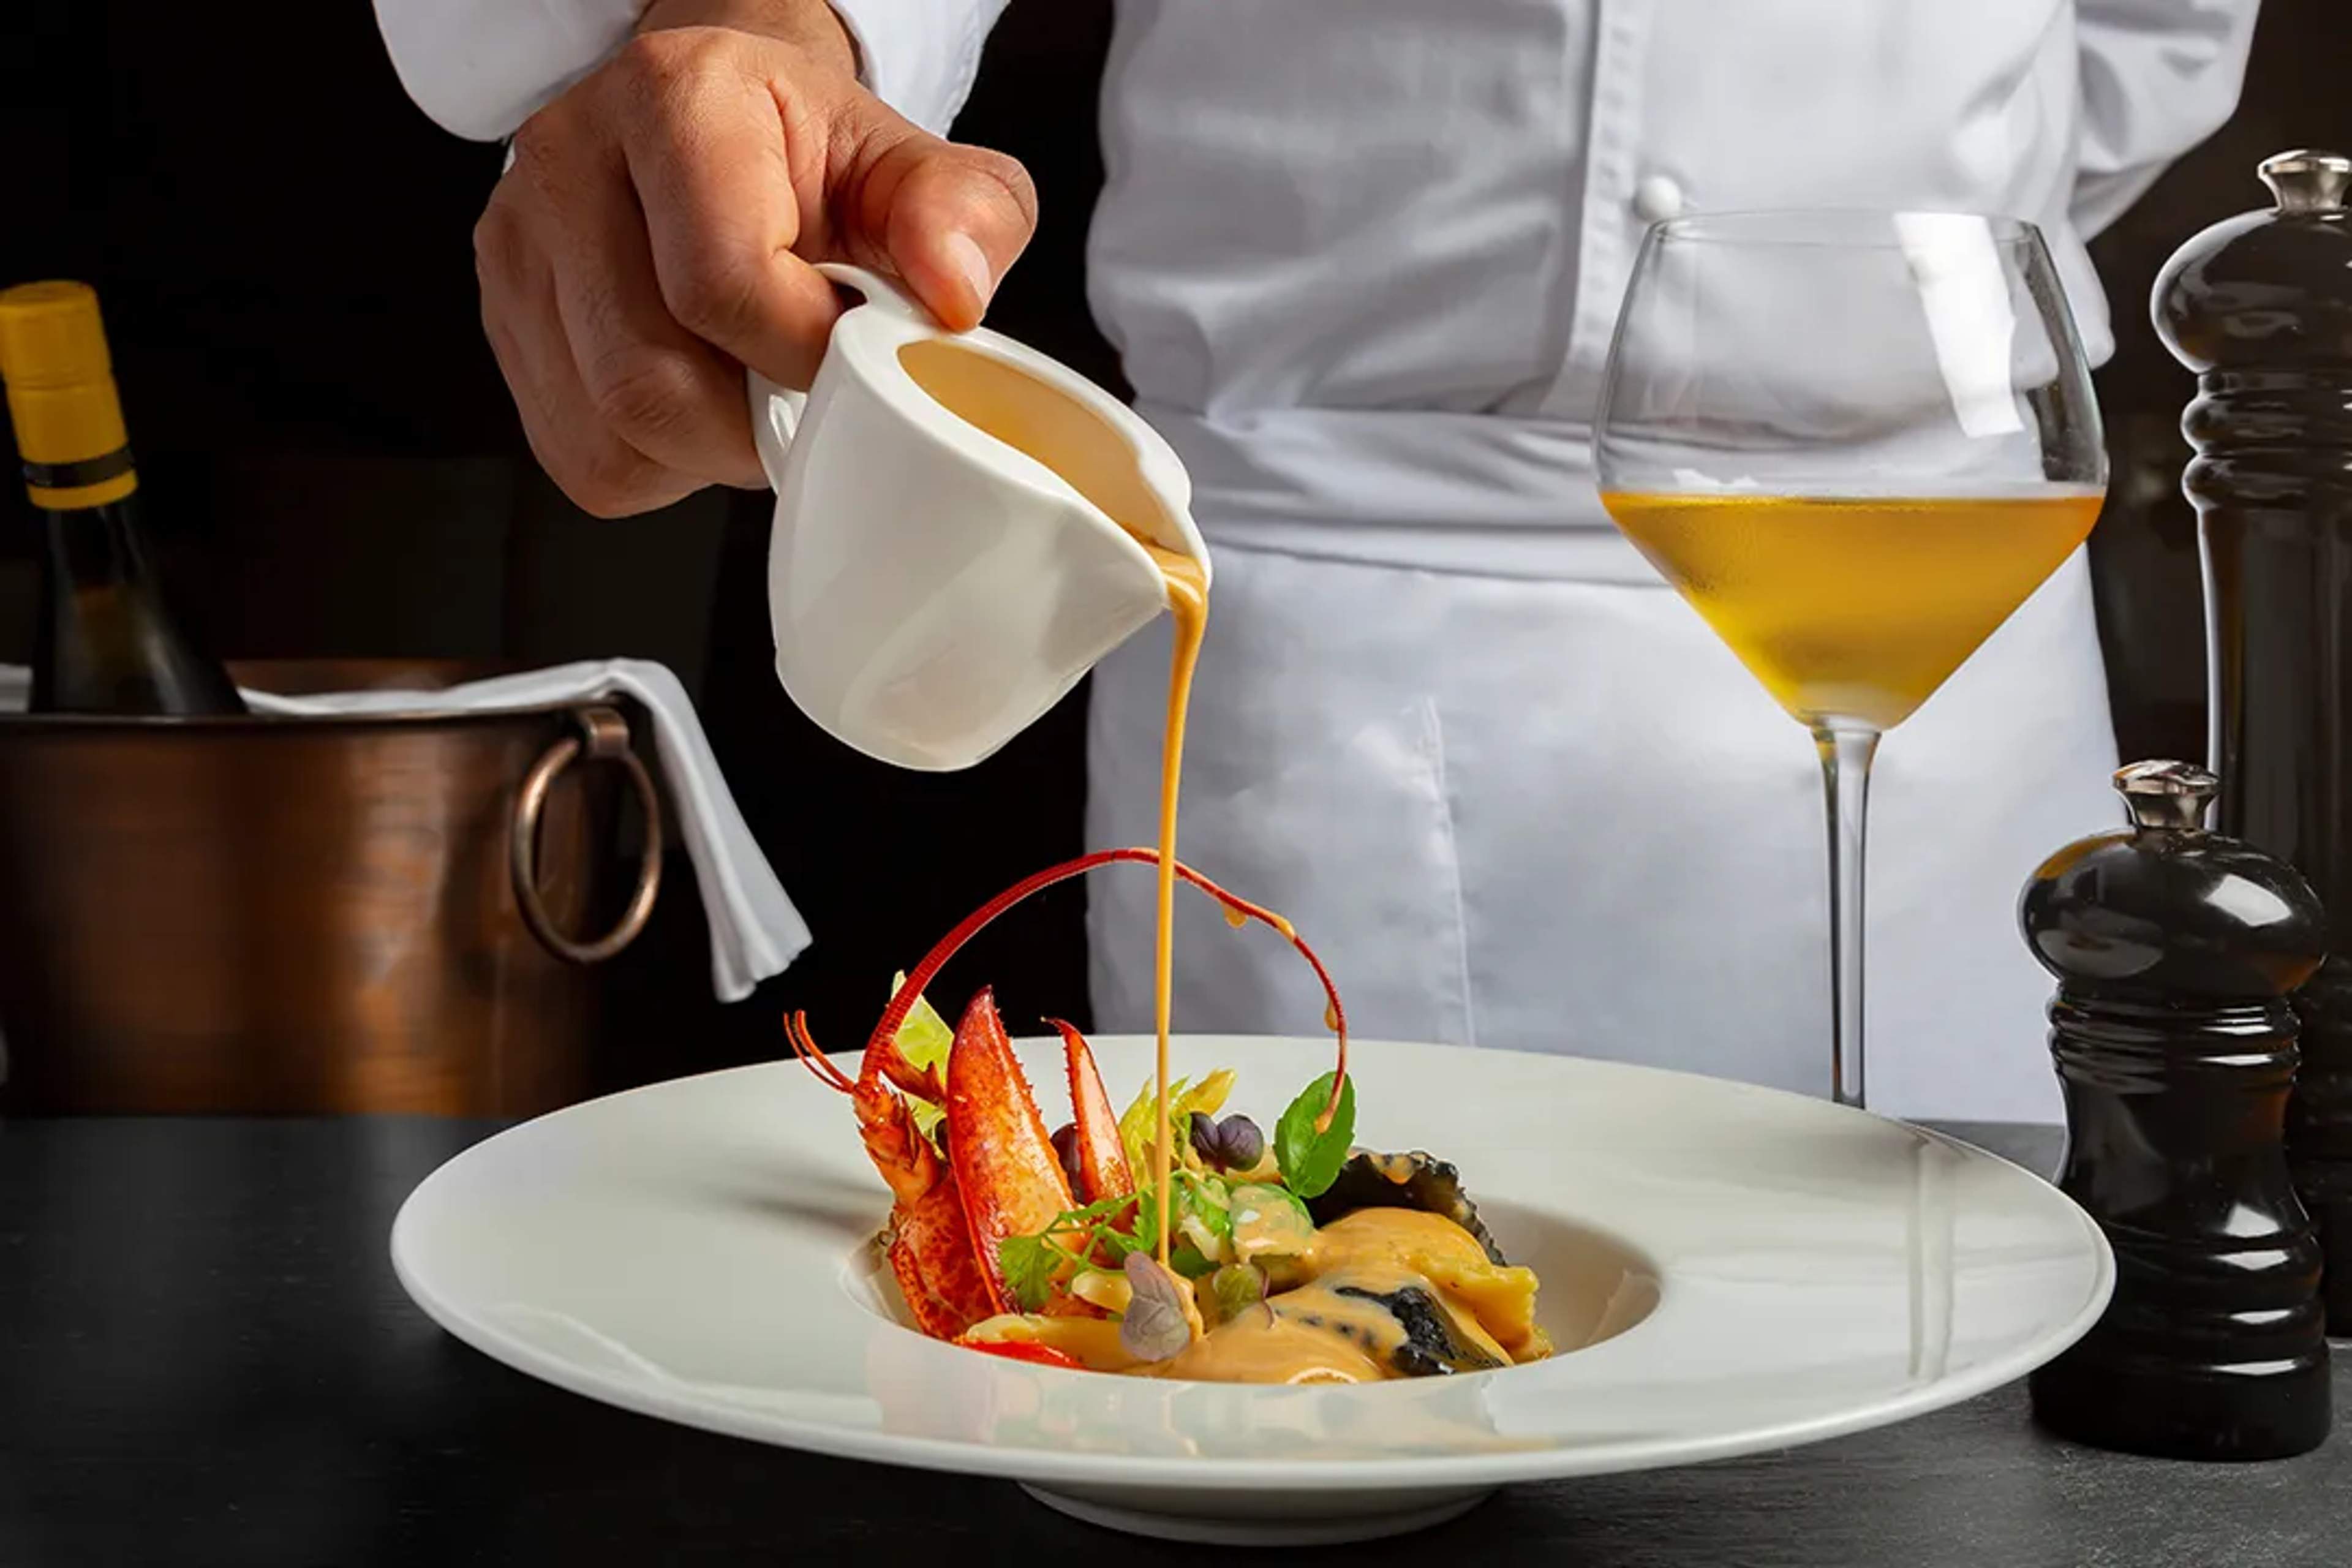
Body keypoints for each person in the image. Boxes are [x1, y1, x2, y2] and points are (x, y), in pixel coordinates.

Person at [373, 0, 2259, 1121]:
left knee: (1971, 1426)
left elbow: (2155, 43)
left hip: (1941, 596)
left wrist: (1893, 311)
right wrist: (789, 21)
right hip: (1340, 609)